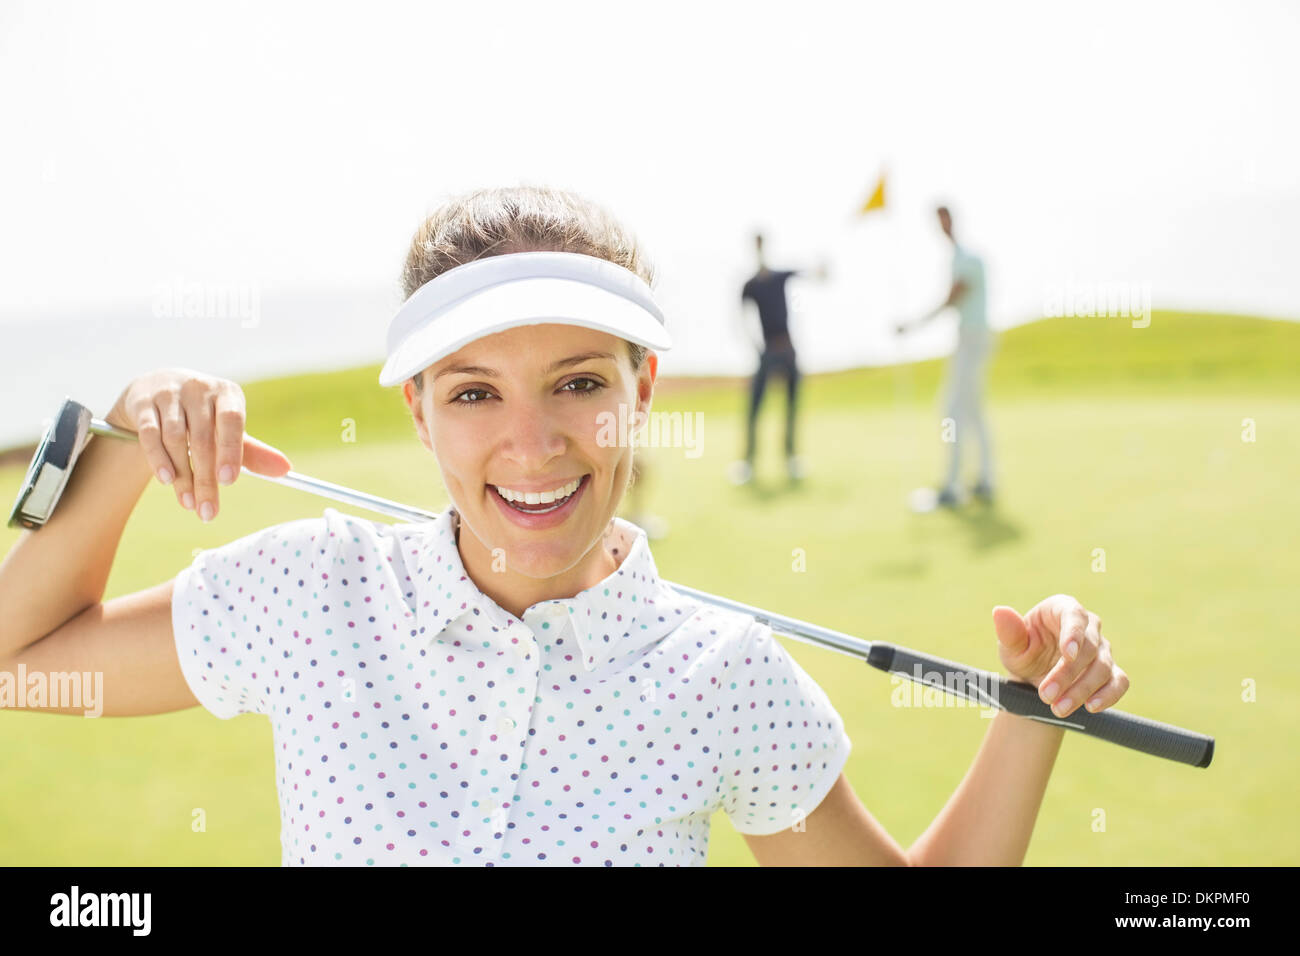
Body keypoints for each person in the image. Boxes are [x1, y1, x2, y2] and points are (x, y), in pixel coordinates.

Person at [0, 185, 1130, 866]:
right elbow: (16, 664)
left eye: (580, 383)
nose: (532, 444)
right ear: (418, 409)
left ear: (642, 389)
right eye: (476, 391)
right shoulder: (314, 588)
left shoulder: (724, 672)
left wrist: (1031, 710)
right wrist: (115, 436)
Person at [896, 205, 996, 507]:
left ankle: (952, 487)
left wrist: (913, 325)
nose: (942, 226)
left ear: (952, 219)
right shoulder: (957, 258)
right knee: (973, 412)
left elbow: (952, 298)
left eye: (944, 219)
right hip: (969, 337)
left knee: (952, 410)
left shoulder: (969, 259)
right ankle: (986, 479)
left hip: (973, 338)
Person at [729, 233, 827, 486]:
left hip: (788, 349)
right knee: (754, 408)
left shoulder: (780, 276)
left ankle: (791, 459)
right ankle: (748, 463)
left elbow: (812, 275)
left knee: (792, 406)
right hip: (768, 352)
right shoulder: (750, 285)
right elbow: (742, 318)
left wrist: (821, 268)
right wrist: (755, 346)